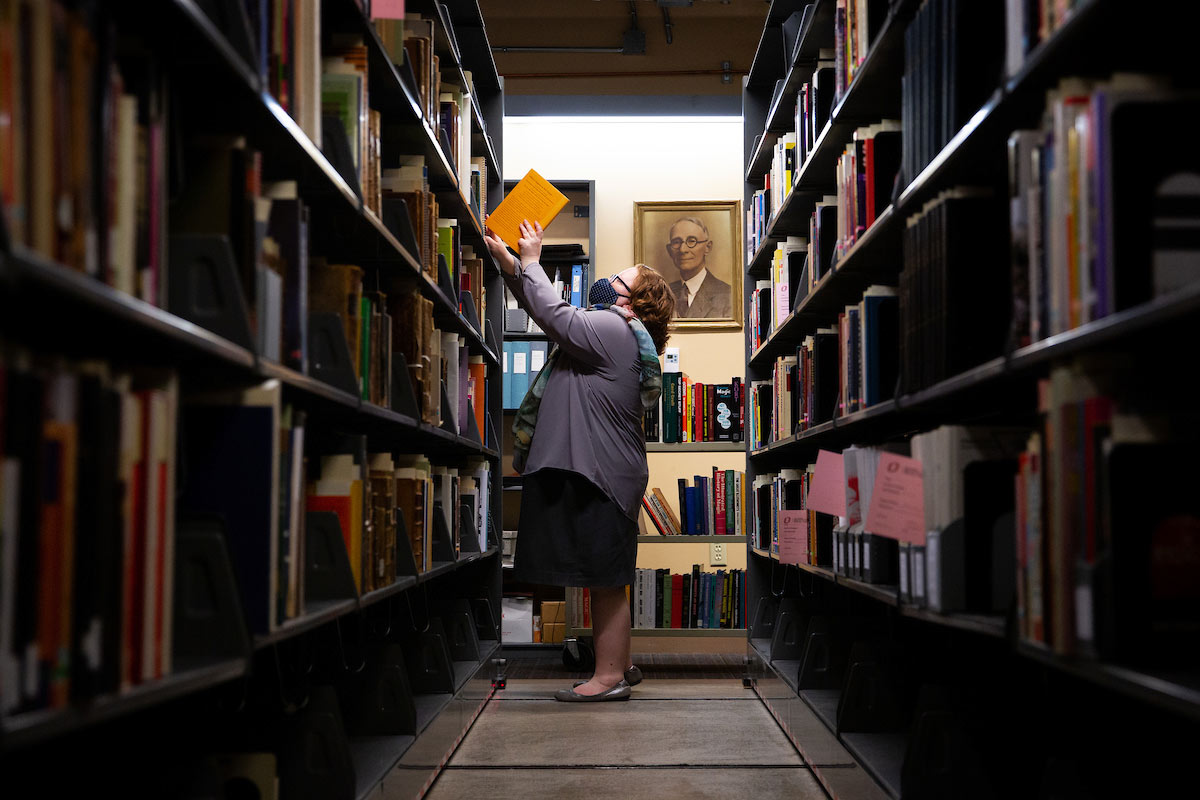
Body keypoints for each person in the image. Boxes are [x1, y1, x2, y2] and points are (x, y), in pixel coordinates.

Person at [484, 217, 675, 702]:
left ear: (633, 301)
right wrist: (513, 267)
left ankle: (607, 679)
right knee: (603, 573)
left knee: (604, 579)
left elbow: (558, 318)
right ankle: (621, 663)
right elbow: (550, 309)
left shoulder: (616, 328)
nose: (608, 282)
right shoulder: (621, 333)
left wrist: (530, 261)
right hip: (598, 470)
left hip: (599, 474)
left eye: (620, 279)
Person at [664, 216, 731, 319]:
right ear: (669, 250)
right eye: (676, 242)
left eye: (691, 241)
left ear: (707, 247)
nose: (683, 250)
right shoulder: (663, 294)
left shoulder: (728, 295)